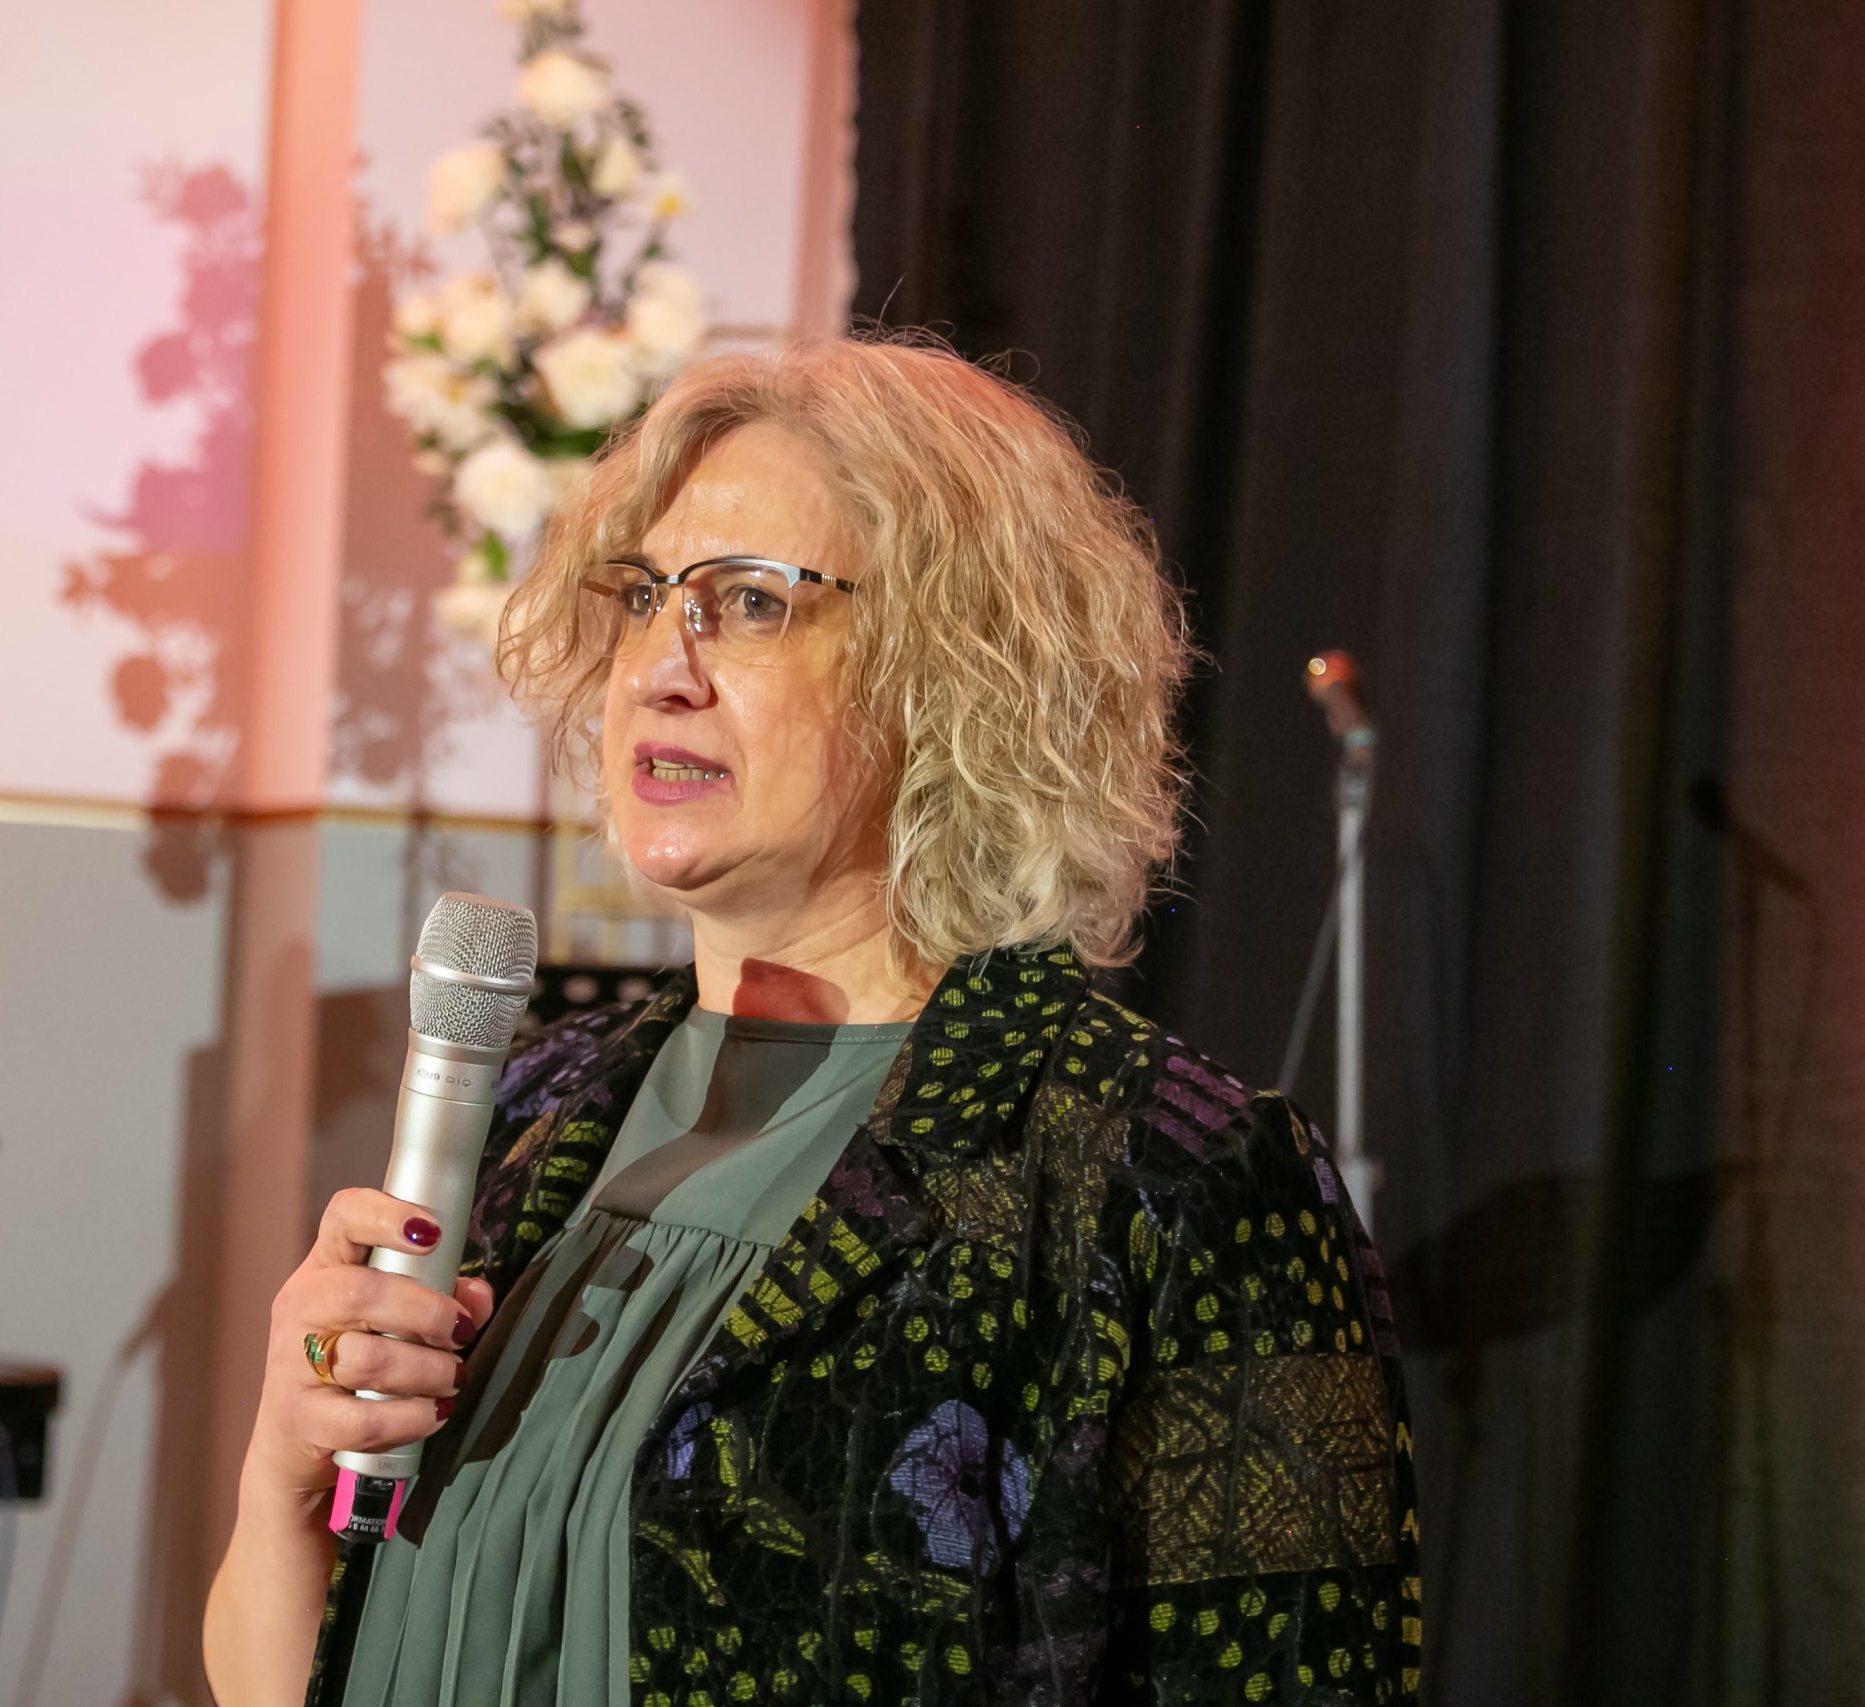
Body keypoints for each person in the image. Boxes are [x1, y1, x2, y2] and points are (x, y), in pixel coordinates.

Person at [205, 337, 1422, 1705]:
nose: (661, 668)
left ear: (956, 672)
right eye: (644, 596)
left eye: (749, 602)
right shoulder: (536, 1110)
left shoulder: (1167, 1178)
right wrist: (279, 1472)